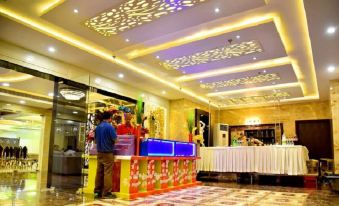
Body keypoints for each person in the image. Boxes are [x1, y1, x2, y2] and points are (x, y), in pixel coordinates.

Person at [94, 111, 117, 198]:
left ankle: (97, 191)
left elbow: (95, 141)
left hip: (99, 152)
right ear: (110, 118)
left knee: (99, 172)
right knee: (108, 172)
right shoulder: (110, 127)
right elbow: (115, 140)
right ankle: (107, 193)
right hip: (108, 153)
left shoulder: (98, 127)